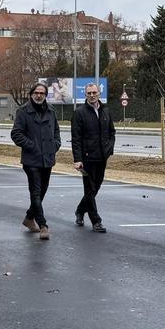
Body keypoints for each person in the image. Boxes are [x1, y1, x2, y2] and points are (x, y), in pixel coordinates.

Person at [10, 82, 60, 240]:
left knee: (42, 191)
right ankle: (43, 225)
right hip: (31, 159)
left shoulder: (51, 110)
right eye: (36, 93)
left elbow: (56, 131)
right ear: (31, 94)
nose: (39, 95)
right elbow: (16, 134)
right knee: (36, 192)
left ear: (45, 95)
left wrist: (55, 145)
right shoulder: (23, 111)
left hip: (48, 158)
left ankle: (29, 218)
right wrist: (31, 146)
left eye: (42, 93)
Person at [71, 82, 116, 232]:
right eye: (89, 93)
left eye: (94, 92)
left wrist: (109, 149)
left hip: (102, 157)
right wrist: (77, 159)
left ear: (99, 93)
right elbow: (76, 138)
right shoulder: (79, 113)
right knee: (90, 189)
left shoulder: (105, 111)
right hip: (87, 158)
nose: (92, 95)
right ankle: (96, 221)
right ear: (85, 94)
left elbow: (111, 132)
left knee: (96, 188)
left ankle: (80, 210)